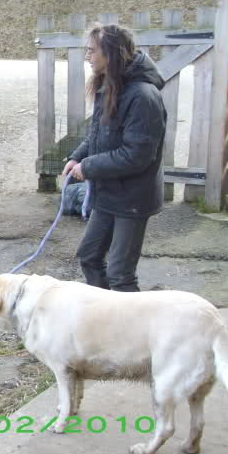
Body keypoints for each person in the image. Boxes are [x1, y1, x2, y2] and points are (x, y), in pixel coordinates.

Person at [61, 24, 167, 292]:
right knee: (90, 257)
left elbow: (136, 156)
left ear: (112, 53)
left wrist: (89, 167)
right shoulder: (109, 85)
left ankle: (131, 331)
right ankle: (107, 314)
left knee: (121, 274)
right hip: (108, 193)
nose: (87, 56)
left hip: (132, 199)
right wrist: (77, 158)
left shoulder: (143, 96)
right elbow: (97, 135)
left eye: (92, 51)